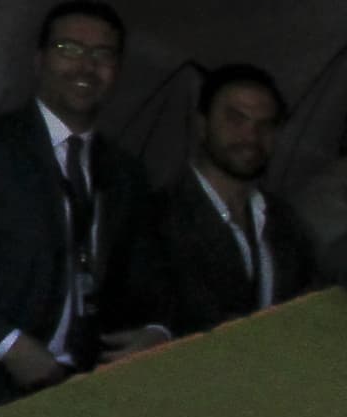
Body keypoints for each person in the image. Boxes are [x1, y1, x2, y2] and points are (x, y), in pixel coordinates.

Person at [0, 0, 162, 417]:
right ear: (39, 60)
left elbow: (146, 279)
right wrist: (8, 345)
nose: (85, 67)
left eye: (102, 55)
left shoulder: (125, 171)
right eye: (69, 50)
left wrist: (156, 332)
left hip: (88, 394)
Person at [135, 65, 326, 340]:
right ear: (202, 125)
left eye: (265, 125)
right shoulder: (158, 217)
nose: (250, 137)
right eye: (236, 120)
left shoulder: (284, 222)